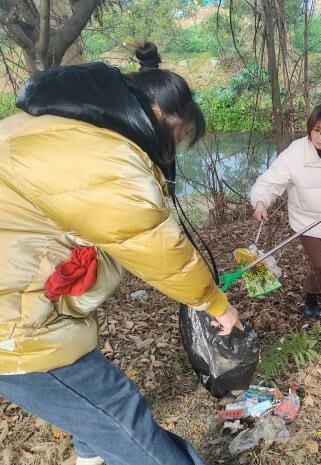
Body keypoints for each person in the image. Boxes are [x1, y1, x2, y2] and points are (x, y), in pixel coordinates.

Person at [0, 43, 241, 465]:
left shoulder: (57, 127)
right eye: (179, 136)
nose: (173, 149)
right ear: (161, 114)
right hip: (15, 326)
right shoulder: (105, 156)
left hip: (23, 304)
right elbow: (155, 246)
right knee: (121, 418)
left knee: (94, 413)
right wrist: (214, 303)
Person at [250, 104, 321, 318]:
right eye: (316, 131)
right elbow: (269, 182)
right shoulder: (296, 153)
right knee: (320, 263)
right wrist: (260, 202)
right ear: (309, 129)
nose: (320, 137)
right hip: (307, 221)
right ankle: (310, 300)